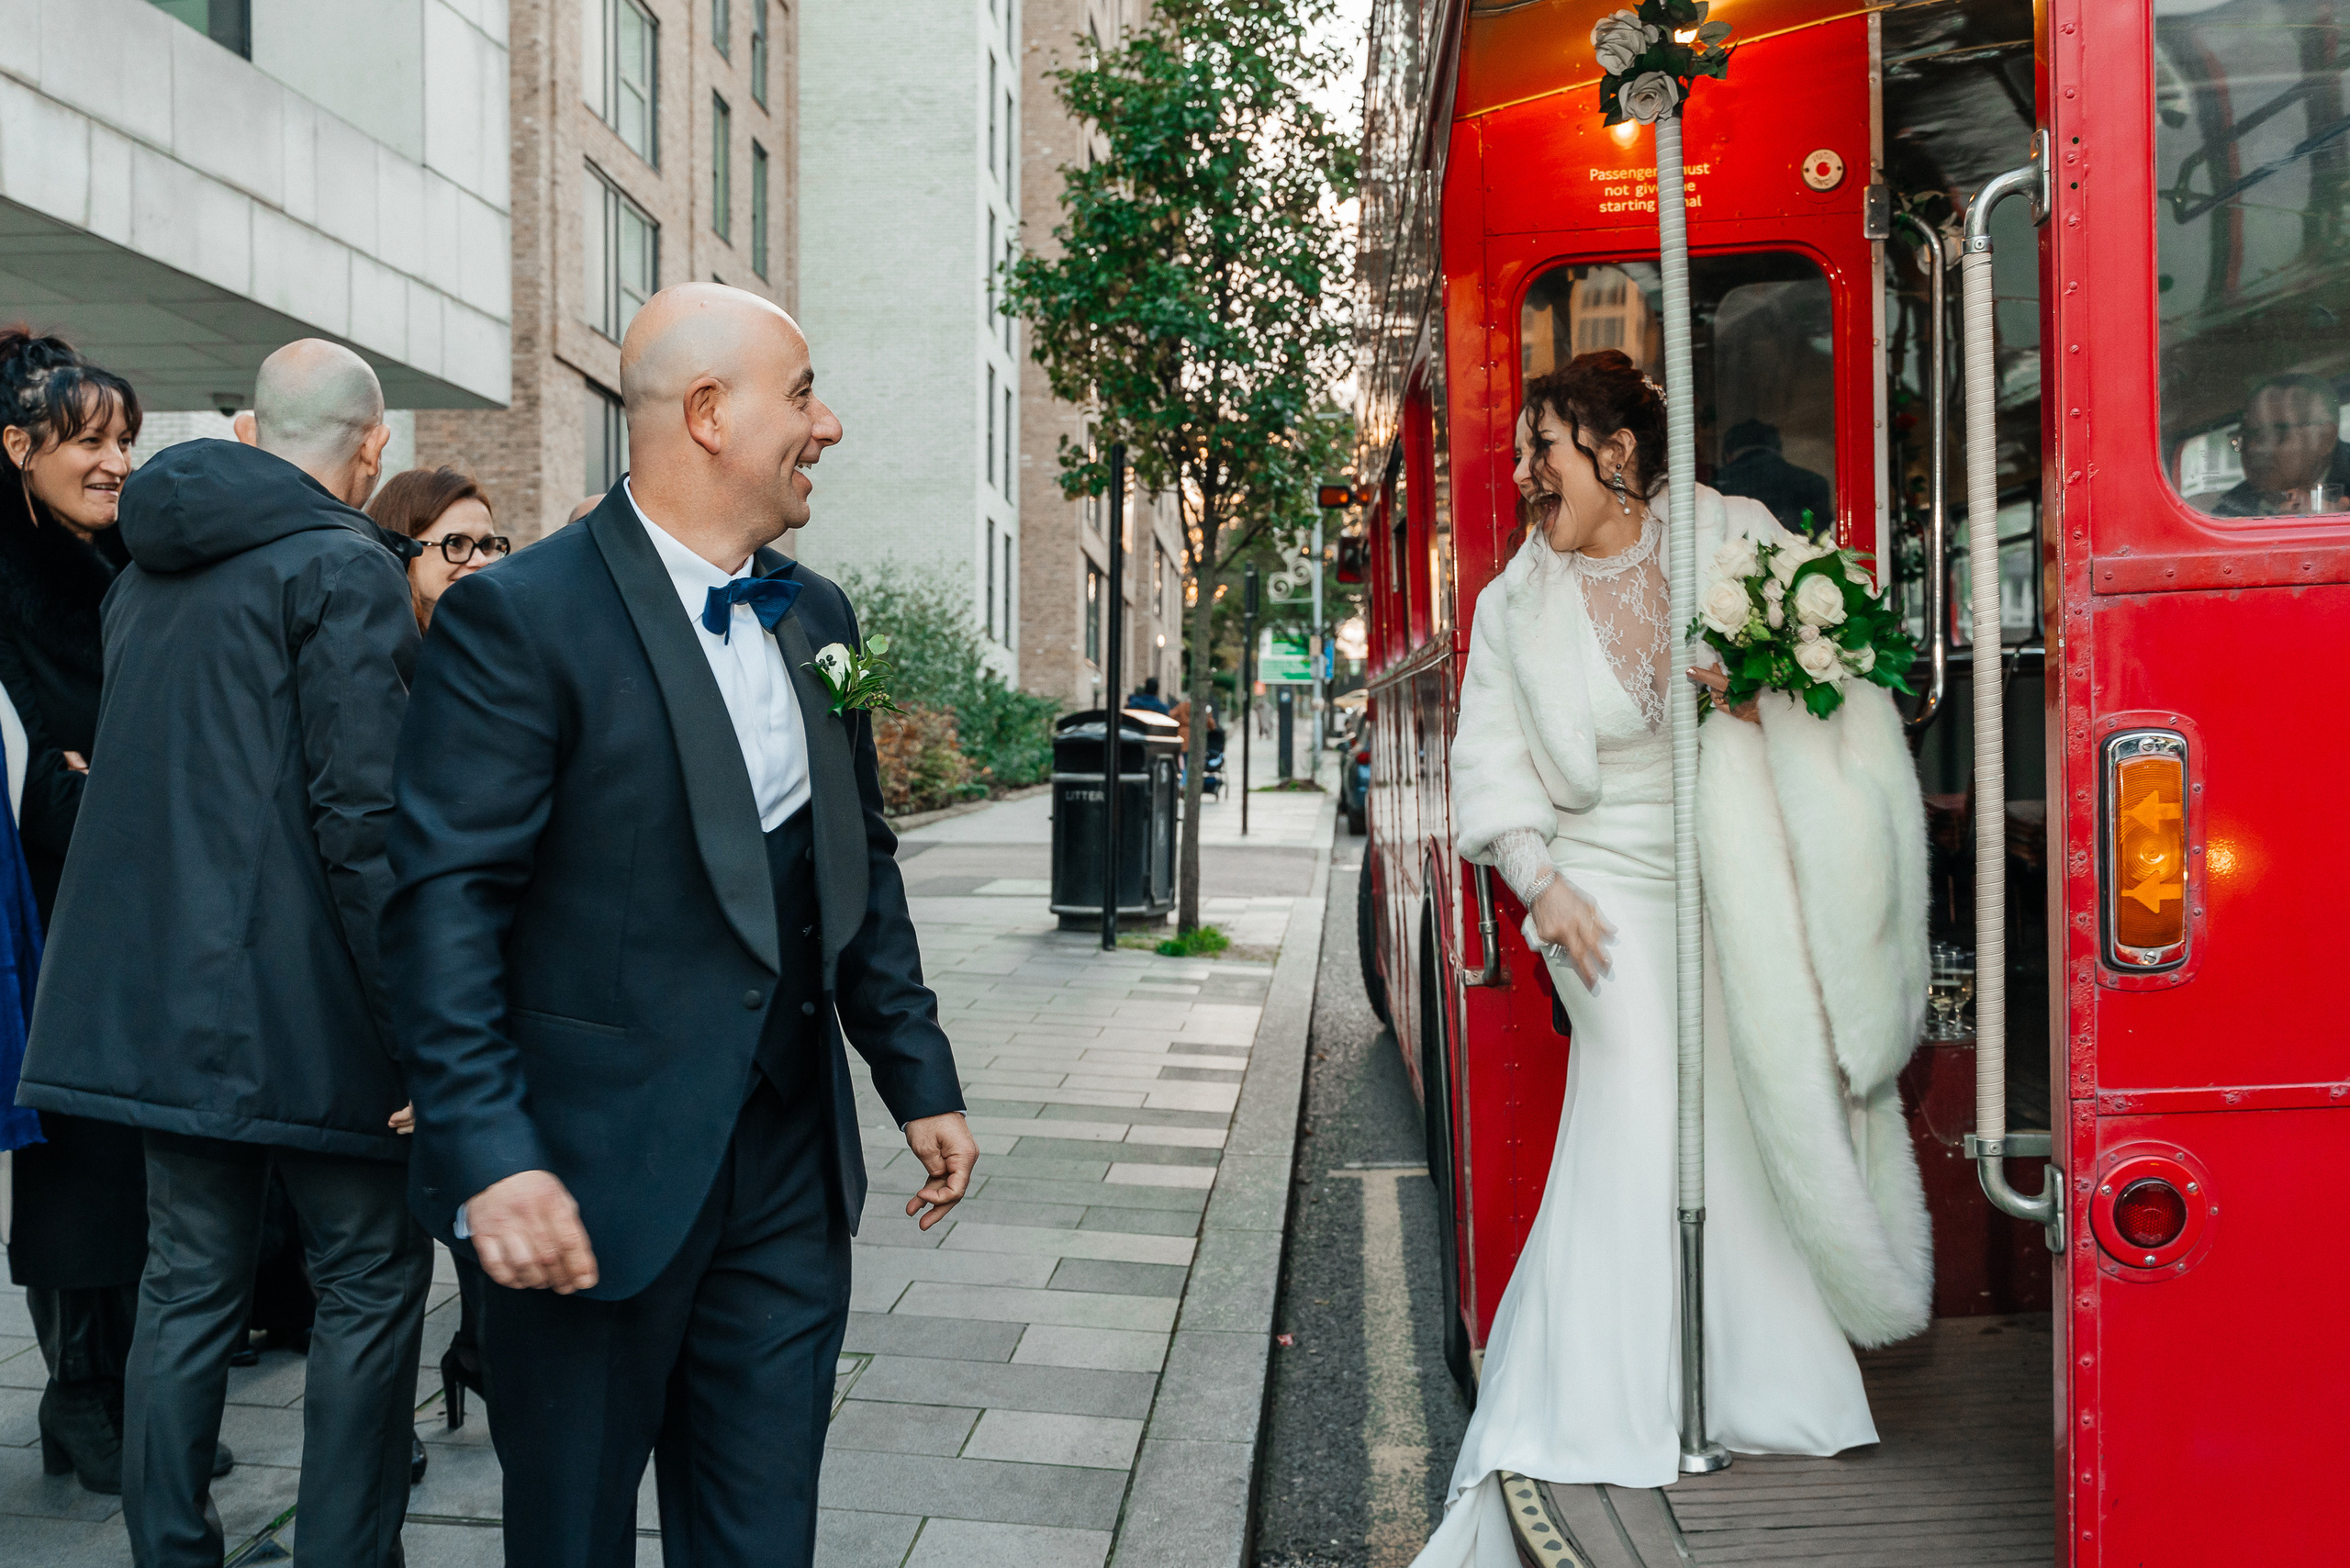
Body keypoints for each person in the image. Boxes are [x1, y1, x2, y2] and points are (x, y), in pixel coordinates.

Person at [386, 283, 976, 1567]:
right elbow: (444, 908)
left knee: (764, 1539)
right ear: (708, 414)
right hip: (591, 1178)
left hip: (784, 1172)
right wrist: (493, 1153)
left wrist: (914, 1072)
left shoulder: (819, 618)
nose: (830, 425)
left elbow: (852, 862)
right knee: (573, 1540)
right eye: (805, 394)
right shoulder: (519, 620)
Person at [1416, 351, 1929, 1560]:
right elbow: (1486, 768)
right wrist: (1542, 886)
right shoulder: (1513, 604)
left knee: (1743, 1115)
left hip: (1728, 871)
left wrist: (1757, 696)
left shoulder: (1735, 537)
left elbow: (1839, 669)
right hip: (1599, 893)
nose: (1529, 476)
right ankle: (1596, 1400)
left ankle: (1753, 1389)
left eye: (1546, 450)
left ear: (1618, 453)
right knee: (1639, 1107)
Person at [17, 338, 431, 1565]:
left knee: (185, 1286)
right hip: (314, 1012)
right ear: (371, 446)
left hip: (164, 1006)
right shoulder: (345, 570)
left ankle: (172, 1552)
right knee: (368, 1278)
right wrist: (422, 1038)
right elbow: (363, 823)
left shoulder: (143, 573)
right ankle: (347, 1555)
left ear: (253, 433)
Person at [0, 330, 200, 1497]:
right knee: (79, 1157)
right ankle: (81, 1396)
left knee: (136, 1152)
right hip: (49, 905)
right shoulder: (18, 578)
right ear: (17, 447)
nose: (117, 460)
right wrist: (93, 785)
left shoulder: (126, 559)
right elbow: (37, 772)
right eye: (89, 440)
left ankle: (125, 1389)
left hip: (136, 894)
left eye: (125, 437)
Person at [366, 465, 509, 629]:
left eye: (487, 545)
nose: (481, 560)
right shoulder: (360, 648)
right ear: (400, 548)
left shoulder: (506, 642)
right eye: (455, 543)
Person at [2204, 372, 2350, 517]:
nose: (2253, 448)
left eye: (2271, 435)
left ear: (2325, 439)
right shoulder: (2228, 510)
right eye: (2246, 436)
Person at [1710, 417, 1833, 533]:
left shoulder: (1716, 484)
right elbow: (1821, 540)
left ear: (1727, 455)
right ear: (1779, 449)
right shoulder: (1814, 483)